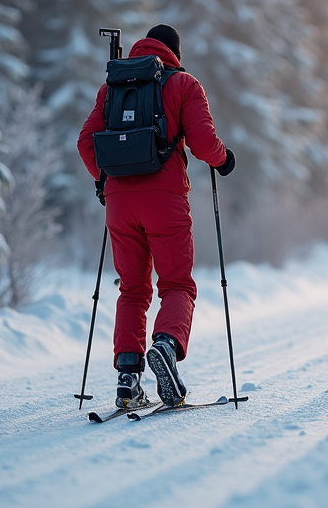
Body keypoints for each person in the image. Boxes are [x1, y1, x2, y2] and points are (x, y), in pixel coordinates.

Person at [77, 24, 236, 409]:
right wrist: (225, 160)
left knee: (132, 288)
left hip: (119, 200)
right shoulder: (184, 84)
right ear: (174, 52)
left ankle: (128, 377)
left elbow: (86, 142)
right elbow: (202, 143)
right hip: (165, 199)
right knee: (178, 284)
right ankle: (165, 344)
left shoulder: (111, 87)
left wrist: (103, 181)